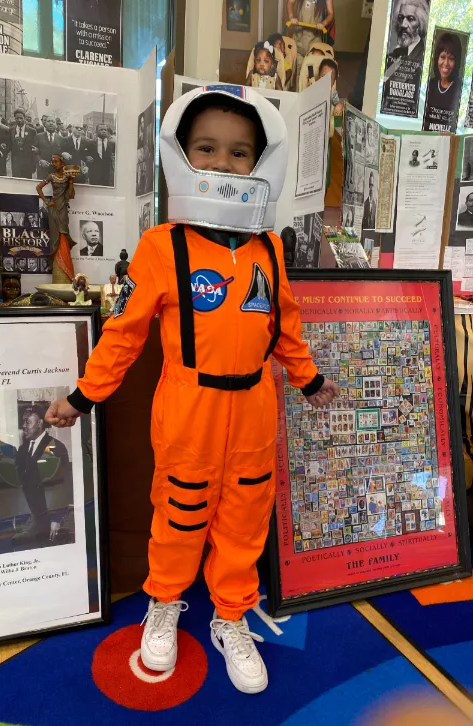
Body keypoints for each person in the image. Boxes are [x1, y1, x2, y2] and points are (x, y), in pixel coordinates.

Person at [45, 86, 338, 695]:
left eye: (239, 152)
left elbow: (285, 326)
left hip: (255, 407)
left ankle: (230, 613)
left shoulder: (270, 249)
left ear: (261, 162)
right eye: (205, 148)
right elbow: (124, 334)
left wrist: (308, 379)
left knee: (245, 516)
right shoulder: (161, 246)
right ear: (182, 154)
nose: (222, 164)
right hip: (189, 405)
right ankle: (166, 602)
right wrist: (83, 395)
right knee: (179, 512)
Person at [12, 406, 71, 543]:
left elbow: (64, 485)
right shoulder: (22, 450)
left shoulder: (55, 447)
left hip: (49, 519)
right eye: (23, 422)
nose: (24, 426)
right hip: (29, 519)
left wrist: (57, 518)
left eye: (28, 422)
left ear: (40, 423)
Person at [382, 0, 429, 110]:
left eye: (411, 19)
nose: (403, 24)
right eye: (400, 18)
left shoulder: (423, 57)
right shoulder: (394, 54)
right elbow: (384, 81)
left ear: (420, 24)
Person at [36, 154, 76, 282]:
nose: (54, 163)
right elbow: (38, 187)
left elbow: (71, 195)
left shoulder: (67, 176)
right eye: (52, 162)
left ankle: (67, 269)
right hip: (53, 209)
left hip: (63, 208)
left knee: (64, 234)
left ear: (62, 162)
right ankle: (58, 265)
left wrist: (70, 181)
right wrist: (47, 202)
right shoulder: (51, 176)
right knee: (55, 238)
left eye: (56, 161)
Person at [287, 0, 335, 84]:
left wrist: (324, 23)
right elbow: (290, 2)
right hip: (299, 38)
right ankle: (299, 93)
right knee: (299, 71)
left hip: (314, 41)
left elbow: (330, 13)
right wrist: (291, 17)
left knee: (312, 72)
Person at [423, 32, 463, 133]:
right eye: (443, 57)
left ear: (456, 62)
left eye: (451, 59)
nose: (446, 63)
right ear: (437, 58)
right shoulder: (430, 84)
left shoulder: (460, 88)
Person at [9, 108, 38, 179]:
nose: (19, 120)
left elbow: (35, 148)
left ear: (24, 118)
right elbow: (9, 145)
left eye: (21, 118)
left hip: (27, 163)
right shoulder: (11, 130)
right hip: (16, 163)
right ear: (14, 118)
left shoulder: (32, 131)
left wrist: (33, 165)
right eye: (17, 118)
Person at [35, 115, 62, 180]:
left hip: (56, 172)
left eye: (53, 121)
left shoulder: (60, 138)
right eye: (48, 121)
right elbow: (34, 152)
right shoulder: (38, 136)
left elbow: (62, 154)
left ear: (56, 125)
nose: (50, 123)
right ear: (45, 124)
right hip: (42, 171)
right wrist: (40, 160)